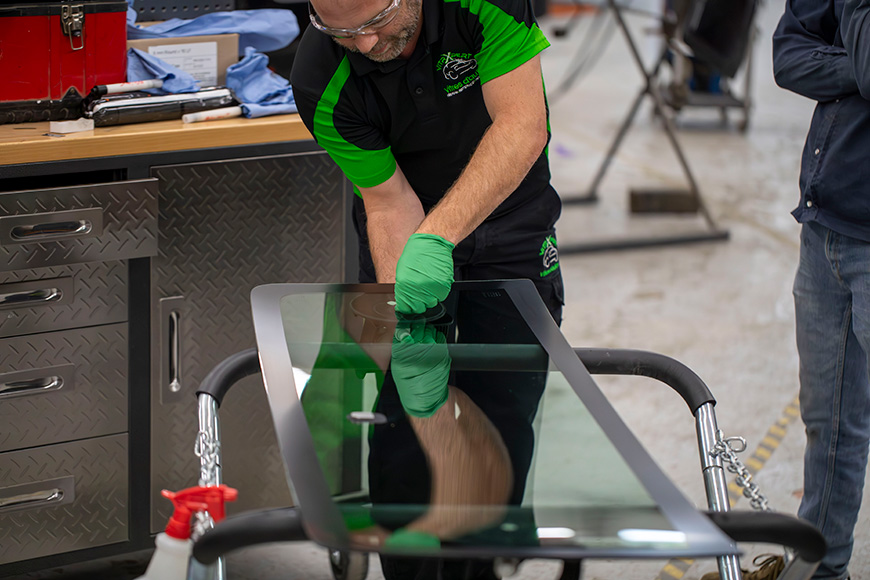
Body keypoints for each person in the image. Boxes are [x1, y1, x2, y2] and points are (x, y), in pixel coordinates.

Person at [289, 0, 563, 322]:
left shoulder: (485, 3)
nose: (365, 44)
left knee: (519, 350)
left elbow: (521, 126)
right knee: (407, 342)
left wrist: (437, 235)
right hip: (408, 231)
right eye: (342, 32)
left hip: (513, 212)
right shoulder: (318, 82)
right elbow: (388, 202)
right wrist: (404, 324)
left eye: (378, 20)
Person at [773, 0, 870, 578]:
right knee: (828, 421)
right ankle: (823, 569)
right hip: (825, 225)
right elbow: (787, 56)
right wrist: (854, 64)